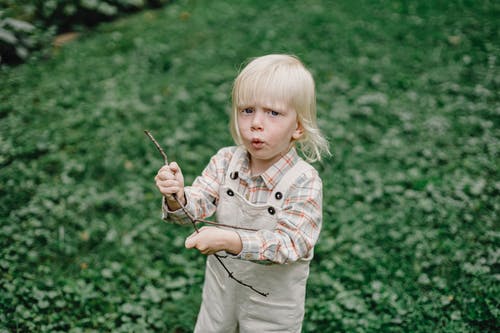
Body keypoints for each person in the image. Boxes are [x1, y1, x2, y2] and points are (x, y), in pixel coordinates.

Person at [155, 54, 330, 332]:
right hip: (221, 293)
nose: (256, 123)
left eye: (273, 113)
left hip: (272, 306)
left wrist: (230, 240)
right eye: (247, 110)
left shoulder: (303, 182)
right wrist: (177, 196)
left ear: (298, 127)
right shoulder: (226, 161)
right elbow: (196, 207)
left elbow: (291, 244)